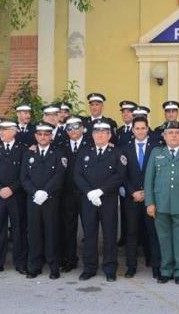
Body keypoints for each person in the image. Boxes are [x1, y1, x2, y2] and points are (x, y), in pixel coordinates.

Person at [144, 121, 179, 285]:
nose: (174, 136)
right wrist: (150, 203)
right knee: (164, 239)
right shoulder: (156, 153)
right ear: (164, 136)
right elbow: (149, 180)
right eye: (170, 133)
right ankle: (166, 270)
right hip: (160, 204)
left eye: (177, 133)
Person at [75, 121, 127, 282]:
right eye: (97, 132)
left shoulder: (117, 153)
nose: (100, 135)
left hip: (108, 200)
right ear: (92, 135)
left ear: (109, 135)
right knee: (89, 234)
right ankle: (89, 268)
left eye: (104, 132)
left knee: (110, 234)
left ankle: (110, 268)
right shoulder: (84, 152)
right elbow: (77, 175)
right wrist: (90, 192)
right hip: (88, 200)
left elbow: (120, 175)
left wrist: (101, 191)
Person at [21, 123, 66, 279]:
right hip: (33, 200)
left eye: (46, 134)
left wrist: (45, 191)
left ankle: (54, 266)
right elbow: (24, 178)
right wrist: (35, 192)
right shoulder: (28, 155)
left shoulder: (58, 153)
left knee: (51, 233)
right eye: (40, 134)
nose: (43, 137)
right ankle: (34, 266)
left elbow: (59, 176)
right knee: (34, 233)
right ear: (35, 136)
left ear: (51, 136)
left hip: (51, 200)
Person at [0, 120, 27, 275]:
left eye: (5, 129)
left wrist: (11, 188)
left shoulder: (22, 149)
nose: (1, 132)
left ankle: (20, 262)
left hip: (16, 196)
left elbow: (24, 174)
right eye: (0, 129)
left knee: (18, 230)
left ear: (14, 131)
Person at [121, 116, 161, 279]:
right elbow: (122, 175)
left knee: (153, 232)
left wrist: (148, 193)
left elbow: (159, 173)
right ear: (132, 130)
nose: (140, 131)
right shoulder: (124, 148)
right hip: (132, 198)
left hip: (151, 197)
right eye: (137, 128)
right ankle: (131, 266)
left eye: (143, 128)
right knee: (131, 233)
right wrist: (133, 192)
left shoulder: (157, 148)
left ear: (147, 129)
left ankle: (156, 266)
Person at [59, 117, 89, 272]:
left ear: (82, 128)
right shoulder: (62, 146)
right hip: (68, 193)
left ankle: (90, 263)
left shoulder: (90, 144)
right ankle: (69, 260)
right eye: (69, 128)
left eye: (76, 127)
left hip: (86, 194)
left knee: (89, 229)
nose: (73, 131)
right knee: (68, 229)